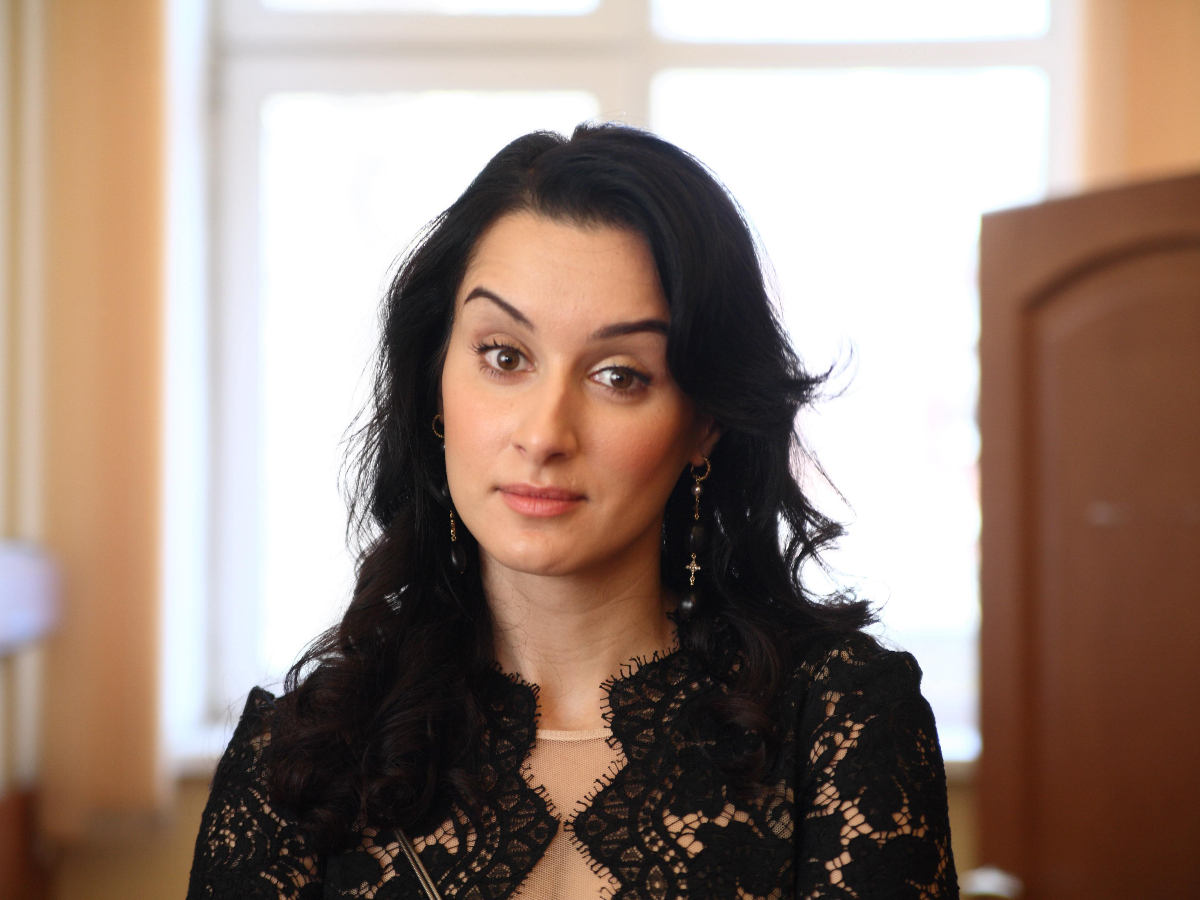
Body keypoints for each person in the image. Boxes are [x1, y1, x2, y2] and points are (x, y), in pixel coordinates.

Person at [187, 123, 958, 900]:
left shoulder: (842, 725)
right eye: (504, 356)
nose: (545, 434)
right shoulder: (297, 756)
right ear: (435, 386)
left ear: (705, 423)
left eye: (619, 375)